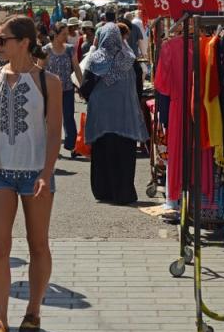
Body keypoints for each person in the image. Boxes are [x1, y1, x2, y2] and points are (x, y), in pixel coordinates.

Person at [0, 15, 62, 332]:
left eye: (1, 40)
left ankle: (34, 311)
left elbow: (54, 132)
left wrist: (47, 172)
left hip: (35, 173)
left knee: (38, 243)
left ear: (23, 42)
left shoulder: (47, 81)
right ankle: (0, 321)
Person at [80, 24, 149, 205]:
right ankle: (124, 193)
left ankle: (104, 192)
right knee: (125, 155)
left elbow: (85, 88)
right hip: (125, 116)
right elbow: (139, 88)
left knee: (103, 154)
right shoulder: (130, 59)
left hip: (102, 119)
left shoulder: (95, 59)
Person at [41, 21, 83, 158]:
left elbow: (76, 68)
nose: (66, 37)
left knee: (69, 117)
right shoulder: (46, 50)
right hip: (49, 91)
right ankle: (51, 148)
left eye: (67, 34)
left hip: (67, 89)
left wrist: (82, 86)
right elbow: (39, 70)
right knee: (50, 119)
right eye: (63, 34)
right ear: (55, 34)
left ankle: (72, 146)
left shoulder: (70, 49)